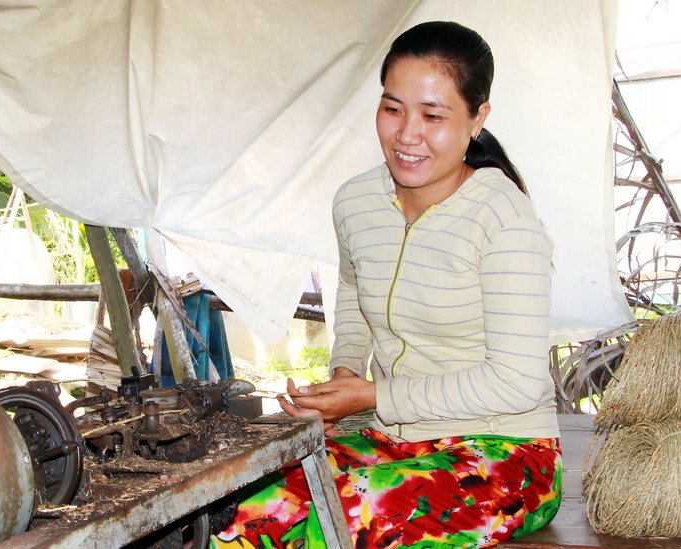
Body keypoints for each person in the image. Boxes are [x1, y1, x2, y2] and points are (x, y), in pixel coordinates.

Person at [210, 20, 560, 549]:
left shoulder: (504, 218)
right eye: (392, 108)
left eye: (432, 115)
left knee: (341, 522)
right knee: (249, 512)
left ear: (477, 118)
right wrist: (343, 376)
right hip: (389, 436)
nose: (406, 134)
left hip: (505, 451)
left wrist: (372, 395)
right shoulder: (355, 202)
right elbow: (354, 292)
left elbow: (516, 383)